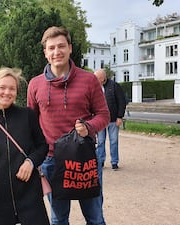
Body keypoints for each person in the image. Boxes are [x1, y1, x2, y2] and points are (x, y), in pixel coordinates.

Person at [27, 26, 110, 225]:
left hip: (84, 158)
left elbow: (104, 115)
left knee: (95, 218)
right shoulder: (35, 84)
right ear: (45, 52)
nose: (57, 52)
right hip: (51, 160)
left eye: (61, 46)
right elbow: (31, 124)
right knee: (58, 219)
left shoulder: (89, 80)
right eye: (52, 48)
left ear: (70, 48)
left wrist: (89, 127)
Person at [0, 67, 50, 225]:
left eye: (12, 88)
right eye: (2, 87)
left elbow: (42, 146)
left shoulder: (27, 115)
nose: (7, 92)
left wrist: (31, 162)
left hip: (30, 196)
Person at [94, 69, 126, 170]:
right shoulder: (94, 87)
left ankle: (114, 162)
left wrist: (120, 116)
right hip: (99, 120)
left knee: (113, 141)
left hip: (113, 119)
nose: (94, 80)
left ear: (103, 78)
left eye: (97, 78)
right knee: (100, 141)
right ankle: (100, 161)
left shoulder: (114, 86)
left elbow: (122, 101)